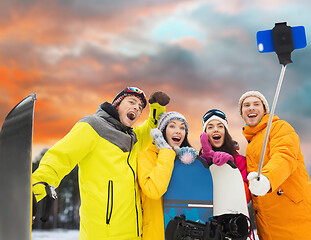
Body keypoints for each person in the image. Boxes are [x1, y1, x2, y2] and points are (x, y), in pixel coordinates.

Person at [31, 87, 170, 240]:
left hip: (133, 234)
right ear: (117, 104)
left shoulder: (133, 138)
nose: (136, 108)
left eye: (140, 108)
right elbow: (61, 156)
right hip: (101, 234)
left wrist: (157, 106)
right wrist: (38, 184)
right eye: (132, 102)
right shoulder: (92, 126)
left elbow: (152, 125)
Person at [238, 91, 311, 240]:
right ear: (242, 114)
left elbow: (285, 156)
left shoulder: (279, 128)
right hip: (269, 227)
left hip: (295, 221)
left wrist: (267, 178)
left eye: (256, 104)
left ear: (265, 110)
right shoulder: (250, 144)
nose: (251, 108)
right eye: (246, 105)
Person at [137, 111, 197, 240]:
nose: (178, 131)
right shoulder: (145, 156)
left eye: (182, 128)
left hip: (183, 232)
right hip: (155, 233)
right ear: (162, 131)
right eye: (172, 126)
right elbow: (153, 191)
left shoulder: (183, 159)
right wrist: (166, 152)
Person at [200, 109, 250, 203]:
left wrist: (229, 168)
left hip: (232, 213)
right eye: (210, 127)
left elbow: (245, 197)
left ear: (225, 132)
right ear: (205, 134)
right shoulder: (199, 162)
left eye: (220, 126)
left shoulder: (240, 161)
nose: (215, 129)